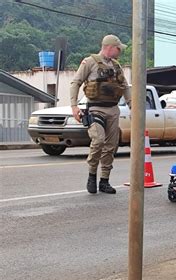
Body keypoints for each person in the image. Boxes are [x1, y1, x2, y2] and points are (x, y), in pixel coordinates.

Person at [70, 34, 131, 194]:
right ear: (110, 47)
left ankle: (104, 180)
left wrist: (132, 105)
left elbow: (124, 87)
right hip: (95, 108)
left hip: (113, 109)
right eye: (118, 48)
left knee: (111, 146)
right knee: (98, 140)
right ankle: (92, 175)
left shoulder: (116, 66)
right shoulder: (89, 62)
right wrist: (74, 106)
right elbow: (75, 83)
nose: (120, 52)